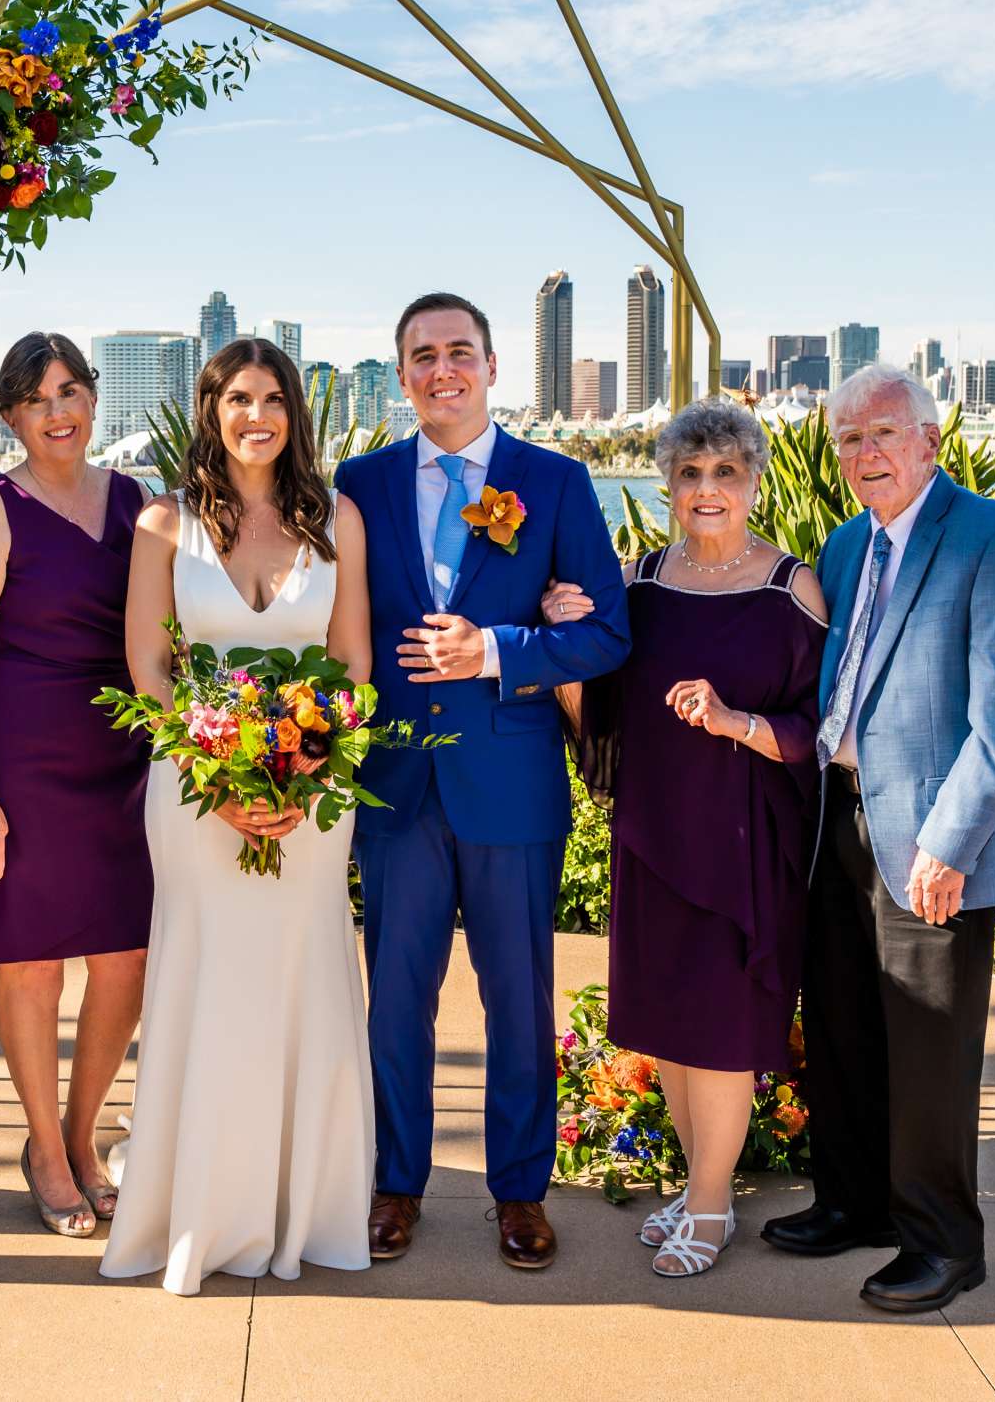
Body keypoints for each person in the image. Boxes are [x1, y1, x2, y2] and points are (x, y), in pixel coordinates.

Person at [333, 292, 630, 1272]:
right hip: (397, 785)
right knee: (396, 997)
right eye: (421, 355)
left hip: (512, 781)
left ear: (495, 366)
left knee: (519, 994)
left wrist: (500, 647)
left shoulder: (555, 481)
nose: (441, 370)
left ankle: (518, 1192)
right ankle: (394, 1182)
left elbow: (605, 632)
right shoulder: (360, 483)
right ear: (402, 372)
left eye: (459, 351)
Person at [760, 363, 995, 1314]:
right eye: (848, 439)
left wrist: (952, 843)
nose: (865, 453)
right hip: (840, 821)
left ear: (931, 440)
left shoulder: (989, 537)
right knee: (844, 1028)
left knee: (928, 1049)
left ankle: (942, 1244)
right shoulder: (845, 548)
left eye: (884, 433)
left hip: (932, 841)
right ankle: (853, 1204)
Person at [100, 338, 377, 1296]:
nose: (256, 415)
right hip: (193, 791)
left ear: (293, 413)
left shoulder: (339, 519)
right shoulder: (162, 524)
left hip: (312, 799)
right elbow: (149, 668)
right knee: (207, 981)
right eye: (237, 399)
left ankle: (306, 1205)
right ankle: (203, 1205)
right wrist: (218, 776)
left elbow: (351, 665)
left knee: (302, 979)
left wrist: (302, 776)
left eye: (273, 398)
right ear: (211, 409)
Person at [560, 399, 826, 1277]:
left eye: (725, 472)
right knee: (672, 1029)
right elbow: (600, 710)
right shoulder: (636, 583)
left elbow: (819, 728)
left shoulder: (793, 588)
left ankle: (713, 1206)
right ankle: (696, 1181)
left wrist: (732, 721)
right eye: (689, 474)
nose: (707, 489)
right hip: (656, 837)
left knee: (719, 1030)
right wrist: (563, 645)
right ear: (668, 485)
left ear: (753, 481)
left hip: (745, 846)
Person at [0, 332, 151, 1238]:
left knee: (125, 961)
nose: (59, 412)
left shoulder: (140, 503)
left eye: (73, 391)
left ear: (93, 400)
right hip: (19, 770)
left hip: (123, 769)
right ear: (11, 415)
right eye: (38, 398)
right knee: (30, 965)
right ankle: (44, 1150)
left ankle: (81, 1131)